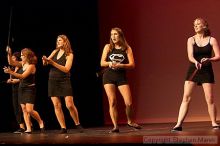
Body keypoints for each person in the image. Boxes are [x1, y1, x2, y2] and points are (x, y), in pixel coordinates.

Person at [171, 17, 220, 132]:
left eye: (198, 24)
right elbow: (190, 56)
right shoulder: (191, 40)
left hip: (206, 69)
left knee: (210, 98)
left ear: (204, 26)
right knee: (186, 97)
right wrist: (196, 62)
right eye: (194, 24)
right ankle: (178, 124)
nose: (196, 26)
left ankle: (214, 122)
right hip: (194, 69)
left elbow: (218, 56)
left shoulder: (212, 40)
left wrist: (209, 59)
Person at [100, 27, 141, 133]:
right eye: (111, 34)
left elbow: (132, 65)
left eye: (115, 34)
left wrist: (120, 65)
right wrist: (110, 63)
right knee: (112, 101)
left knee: (129, 103)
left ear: (120, 36)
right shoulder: (107, 47)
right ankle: (115, 126)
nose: (113, 37)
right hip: (108, 76)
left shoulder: (127, 48)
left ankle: (130, 121)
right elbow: (102, 63)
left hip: (121, 77)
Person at [42, 34, 82, 134]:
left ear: (65, 42)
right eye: (57, 40)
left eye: (60, 40)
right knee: (56, 105)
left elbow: (66, 69)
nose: (58, 42)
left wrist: (52, 62)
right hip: (52, 80)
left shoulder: (69, 54)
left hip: (64, 80)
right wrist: (45, 60)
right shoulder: (54, 51)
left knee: (69, 104)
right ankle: (63, 127)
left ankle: (77, 123)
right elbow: (46, 63)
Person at [4, 47, 45, 134]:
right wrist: (9, 53)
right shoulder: (22, 64)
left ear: (27, 57)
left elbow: (22, 76)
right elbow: (10, 62)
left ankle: (40, 121)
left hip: (29, 89)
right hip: (21, 88)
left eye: (22, 55)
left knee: (29, 110)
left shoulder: (31, 66)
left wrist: (10, 72)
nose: (21, 57)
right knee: (24, 109)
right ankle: (28, 128)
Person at [6, 51, 25, 133]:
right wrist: (9, 79)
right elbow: (11, 78)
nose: (12, 60)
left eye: (13, 58)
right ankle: (22, 127)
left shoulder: (22, 66)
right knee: (16, 108)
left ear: (17, 59)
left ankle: (29, 124)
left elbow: (23, 77)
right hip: (14, 89)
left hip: (22, 88)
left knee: (23, 108)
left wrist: (16, 80)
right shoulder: (13, 68)